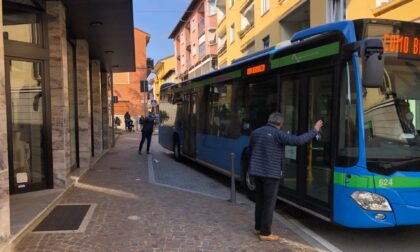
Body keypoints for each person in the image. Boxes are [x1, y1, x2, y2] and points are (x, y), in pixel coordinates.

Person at [249, 112, 323, 241]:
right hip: (271, 174)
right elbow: (298, 140)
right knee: (269, 204)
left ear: (269, 120)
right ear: (280, 123)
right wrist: (314, 130)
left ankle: (258, 227)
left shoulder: (256, 132)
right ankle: (265, 233)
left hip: (257, 172)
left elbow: (251, 150)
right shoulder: (278, 134)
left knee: (260, 200)